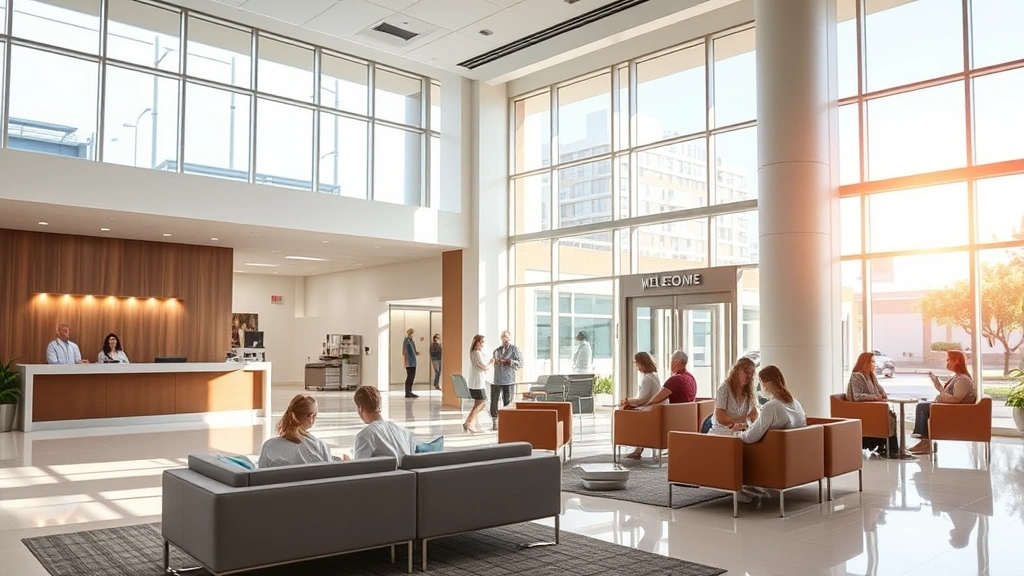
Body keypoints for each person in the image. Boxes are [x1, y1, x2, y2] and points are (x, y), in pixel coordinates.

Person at [908, 350, 976, 455]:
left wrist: (940, 392)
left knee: (922, 407)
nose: (947, 363)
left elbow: (955, 399)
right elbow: (946, 394)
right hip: (948, 408)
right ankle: (923, 439)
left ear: (956, 361)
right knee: (922, 405)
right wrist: (937, 384)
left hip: (953, 411)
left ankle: (924, 441)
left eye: (948, 360)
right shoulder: (957, 377)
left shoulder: (962, 379)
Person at [258, 394, 338, 467]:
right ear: (309, 416)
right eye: (315, 415)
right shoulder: (318, 445)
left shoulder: (269, 446)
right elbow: (330, 469)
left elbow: (261, 472)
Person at [846, 351, 900, 457]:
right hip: (861, 410)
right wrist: (877, 397)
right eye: (871, 362)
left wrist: (882, 394)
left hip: (871, 408)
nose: (874, 364)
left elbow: (880, 391)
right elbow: (858, 396)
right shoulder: (857, 376)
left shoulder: (871, 376)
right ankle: (887, 448)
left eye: (874, 362)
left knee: (891, 414)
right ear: (864, 363)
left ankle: (890, 448)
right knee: (886, 415)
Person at [346, 385, 416, 463]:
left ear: (360, 408)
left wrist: (347, 462)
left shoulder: (365, 436)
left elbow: (359, 467)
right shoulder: (405, 432)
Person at [738, 365, 806, 444]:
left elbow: (750, 437)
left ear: (765, 383)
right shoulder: (796, 404)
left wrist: (735, 435)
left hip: (772, 449)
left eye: (760, 382)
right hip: (796, 447)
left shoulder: (771, 407)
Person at [619, 351, 665, 459]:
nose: (636, 365)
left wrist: (628, 401)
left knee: (621, 414)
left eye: (636, 362)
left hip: (650, 410)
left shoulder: (648, 378)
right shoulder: (653, 376)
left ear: (641, 363)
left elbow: (642, 399)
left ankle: (625, 441)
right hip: (654, 408)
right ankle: (637, 448)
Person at [624, 350, 696, 408]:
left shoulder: (675, 380)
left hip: (674, 415)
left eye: (671, 360)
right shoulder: (691, 378)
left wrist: (631, 403)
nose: (669, 364)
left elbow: (655, 399)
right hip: (688, 414)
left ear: (677, 361)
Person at [706, 357, 759, 435]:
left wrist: (747, 421)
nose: (748, 376)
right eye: (746, 372)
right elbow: (720, 416)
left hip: (741, 432)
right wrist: (734, 423)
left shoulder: (749, 391)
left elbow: (754, 413)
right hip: (722, 432)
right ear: (736, 371)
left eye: (751, 373)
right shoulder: (724, 388)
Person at [490, 330, 523, 429]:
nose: (505, 339)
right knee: (494, 400)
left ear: (510, 338)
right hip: (497, 379)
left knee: (507, 401)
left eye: (507, 337)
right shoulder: (497, 350)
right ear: (501, 338)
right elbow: (494, 362)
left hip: (509, 380)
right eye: (503, 336)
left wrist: (510, 362)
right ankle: (495, 421)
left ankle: (507, 422)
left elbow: (521, 363)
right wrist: (495, 362)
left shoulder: (514, 349)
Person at [464, 334, 492, 434]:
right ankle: (468, 422)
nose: (483, 344)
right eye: (482, 342)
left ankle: (472, 423)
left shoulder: (474, 352)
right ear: (478, 343)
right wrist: (491, 363)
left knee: (477, 404)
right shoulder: (476, 353)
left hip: (475, 382)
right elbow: (483, 367)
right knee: (482, 403)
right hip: (477, 383)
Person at [402, 328, 420, 398]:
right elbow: (405, 351)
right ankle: (407, 392)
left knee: (412, 377)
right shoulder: (406, 340)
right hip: (409, 362)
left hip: (413, 361)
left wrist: (416, 352)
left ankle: (410, 391)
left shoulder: (411, 341)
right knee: (409, 377)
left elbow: (413, 349)